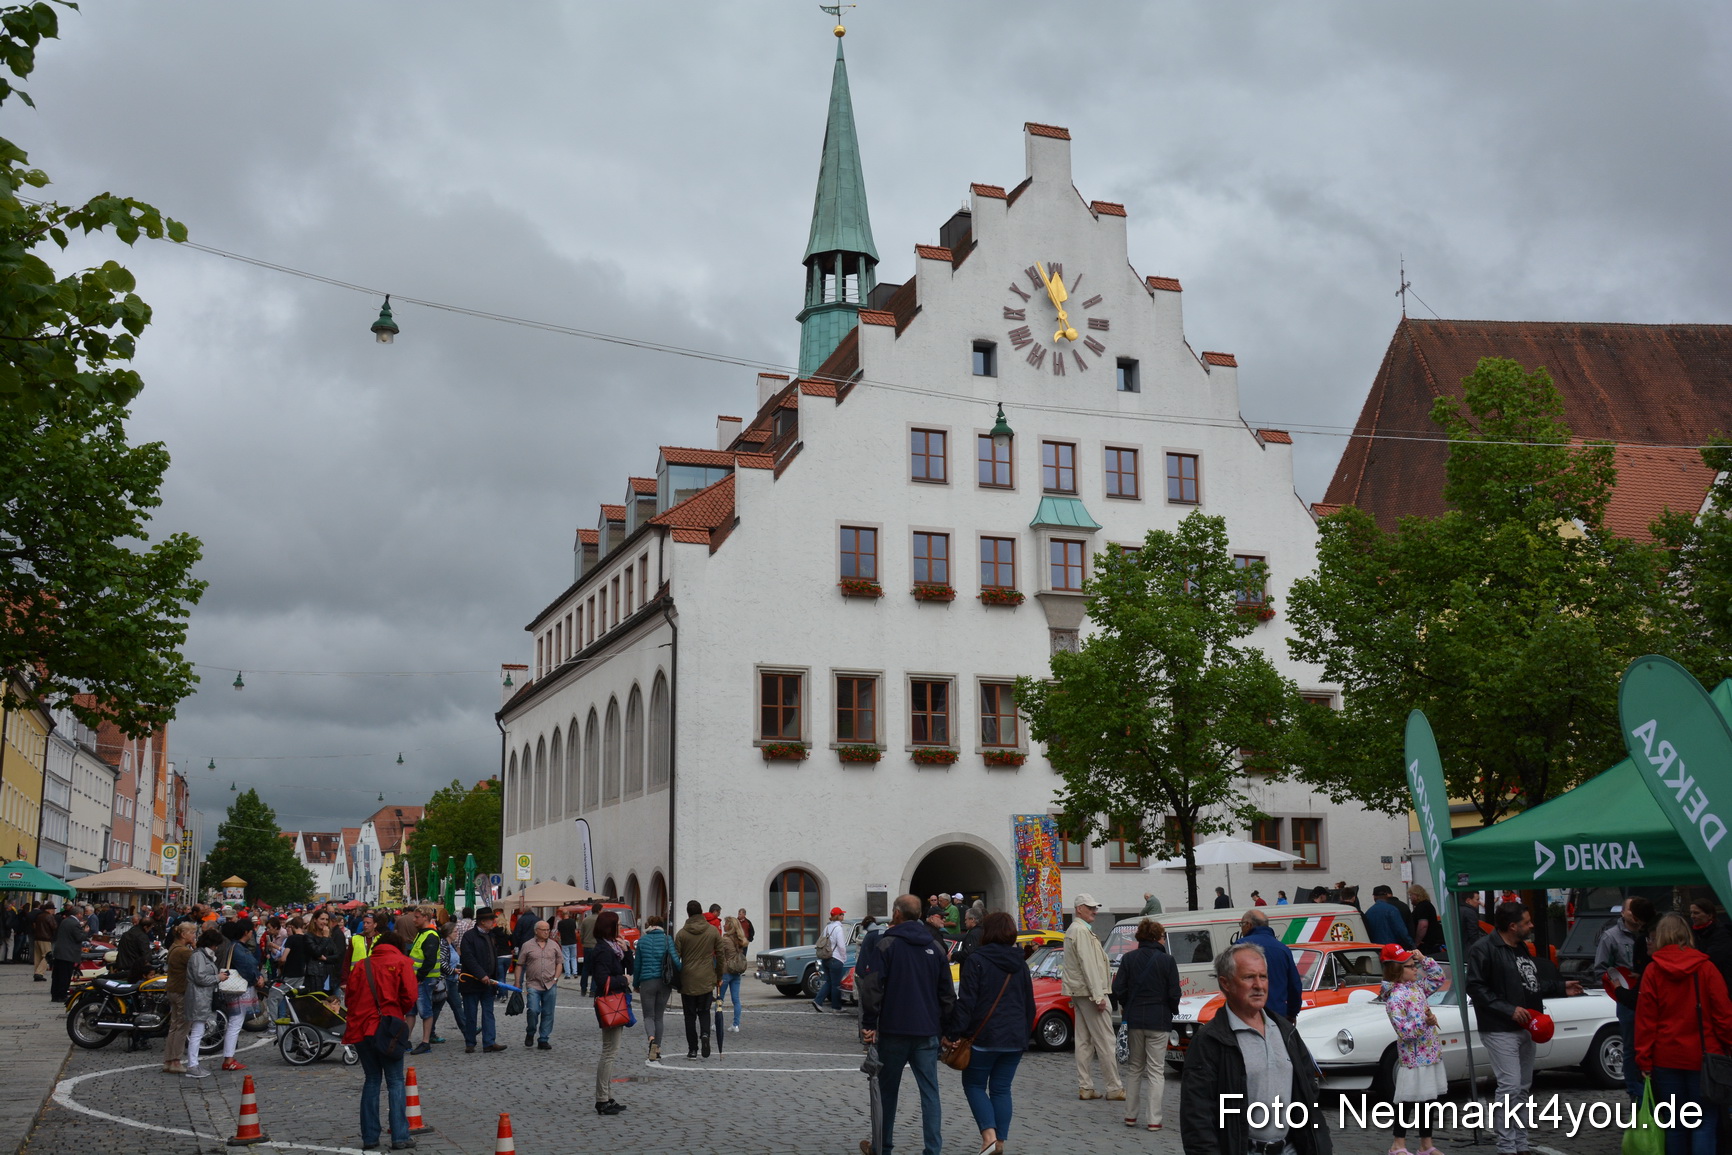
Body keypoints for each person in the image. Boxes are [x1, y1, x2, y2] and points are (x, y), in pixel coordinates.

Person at [1179, 942, 1334, 1155]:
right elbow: (1197, 1117)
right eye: (1249, 977)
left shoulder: (1285, 1031)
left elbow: (1308, 1094)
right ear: (1226, 983)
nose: (1259, 985)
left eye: (1263, 976)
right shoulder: (1211, 1040)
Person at [1465, 902, 1582, 1155]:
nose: (1531, 926)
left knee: (1522, 1086)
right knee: (1510, 1085)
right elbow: (1475, 986)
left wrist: (1562, 988)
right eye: (1527, 922)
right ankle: (1507, 1146)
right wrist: (1508, 1009)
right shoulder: (1484, 948)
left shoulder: (1520, 948)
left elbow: (1531, 983)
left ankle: (1519, 1143)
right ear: (1512, 926)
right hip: (1499, 1027)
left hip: (1526, 1024)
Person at [859, 893, 954, 1155]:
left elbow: (872, 987)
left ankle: (882, 1147)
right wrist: (947, 1030)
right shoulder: (935, 948)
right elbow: (947, 994)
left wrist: (869, 1023)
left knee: (887, 1092)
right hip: (927, 1031)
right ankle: (932, 1150)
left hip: (894, 1030)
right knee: (930, 1093)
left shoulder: (886, 944)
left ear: (898, 914)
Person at [1636, 912, 1732, 1155]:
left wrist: (1643, 1058)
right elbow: (1723, 1016)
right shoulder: (1706, 968)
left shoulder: (1653, 971)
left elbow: (1646, 1020)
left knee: (1676, 1124)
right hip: (1704, 1056)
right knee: (1704, 1123)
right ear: (1687, 934)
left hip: (1666, 1057)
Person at [948, 910, 1035, 1155]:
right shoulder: (1021, 964)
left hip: (983, 1036)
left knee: (974, 1085)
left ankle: (988, 1137)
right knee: (1001, 1089)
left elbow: (966, 1002)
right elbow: (1030, 1004)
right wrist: (1024, 1034)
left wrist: (955, 1033)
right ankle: (1000, 1143)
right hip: (1014, 1038)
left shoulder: (977, 960)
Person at [342, 928, 418, 1151]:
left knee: (372, 1080)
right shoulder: (402, 962)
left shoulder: (361, 965)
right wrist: (395, 1012)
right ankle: (400, 1136)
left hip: (361, 1028)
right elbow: (410, 996)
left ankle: (370, 1137)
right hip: (387, 1028)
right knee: (395, 1081)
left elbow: (349, 997)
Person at [1112, 918, 1181, 1133]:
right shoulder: (1167, 960)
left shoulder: (1129, 959)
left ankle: (1130, 1116)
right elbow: (1174, 992)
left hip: (1135, 1020)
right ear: (1157, 937)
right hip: (1159, 1020)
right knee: (1156, 1071)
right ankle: (1154, 1119)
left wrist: (1127, 1005)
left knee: (1135, 1069)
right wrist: (1172, 1009)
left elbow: (1118, 988)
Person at [1381, 944, 1446, 1155]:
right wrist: (1425, 1021)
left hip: (1428, 1052)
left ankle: (1426, 1144)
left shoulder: (1416, 987)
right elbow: (1404, 1031)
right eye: (1410, 966)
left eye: (1415, 965)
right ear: (1397, 970)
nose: (1416, 969)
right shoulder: (1395, 997)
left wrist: (1424, 958)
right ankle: (1398, 1144)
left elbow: (1438, 978)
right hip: (1413, 1056)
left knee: (1428, 1099)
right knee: (1407, 1100)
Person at [1062, 893, 1123, 1101]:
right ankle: (1114, 1087)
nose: (1095, 911)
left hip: (1082, 992)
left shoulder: (1078, 930)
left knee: (1084, 1041)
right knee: (1106, 1041)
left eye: (1095, 907)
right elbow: (1089, 966)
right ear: (1079, 909)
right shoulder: (1080, 931)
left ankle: (1086, 1086)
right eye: (1090, 908)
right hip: (1090, 993)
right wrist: (1098, 996)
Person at [1594, 895, 1655, 1100]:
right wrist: (1618, 981)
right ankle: (1635, 1092)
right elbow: (1600, 969)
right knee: (1630, 1046)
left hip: (1650, 997)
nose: (1634, 915)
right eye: (1630, 910)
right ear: (1623, 912)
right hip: (1628, 999)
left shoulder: (1652, 933)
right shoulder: (1610, 937)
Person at [590, 910, 632, 1116]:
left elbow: (630, 968)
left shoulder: (614, 948)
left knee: (611, 1051)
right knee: (609, 1052)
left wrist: (628, 950)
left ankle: (606, 1096)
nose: (620, 928)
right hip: (610, 1004)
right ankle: (601, 1099)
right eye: (617, 925)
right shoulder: (603, 951)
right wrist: (623, 981)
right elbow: (602, 980)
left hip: (617, 1001)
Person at [1237, 909, 1303, 1022]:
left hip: (1248, 1016)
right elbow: (1295, 985)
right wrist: (1292, 1012)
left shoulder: (1240, 947)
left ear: (1248, 925)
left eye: (1242, 924)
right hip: (1278, 1016)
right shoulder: (1283, 949)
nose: (1241, 928)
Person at [673, 899, 720, 1058]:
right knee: (705, 1011)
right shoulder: (712, 931)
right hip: (706, 977)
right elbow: (720, 955)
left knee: (690, 1016)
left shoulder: (682, 933)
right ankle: (705, 1035)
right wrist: (719, 975)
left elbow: (675, 957)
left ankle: (692, 1049)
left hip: (688, 979)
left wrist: (677, 975)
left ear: (688, 913)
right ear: (701, 912)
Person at [458, 908, 507, 1053]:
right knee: (471, 1013)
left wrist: (494, 977)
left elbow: (492, 956)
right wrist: (481, 975)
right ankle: (470, 1042)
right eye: (492, 919)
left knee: (488, 1013)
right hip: (472, 982)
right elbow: (468, 958)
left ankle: (489, 1042)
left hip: (489, 983)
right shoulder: (469, 936)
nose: (494, 922)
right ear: (483, 922)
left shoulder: (491, 935)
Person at [216, 919, 263, 1071]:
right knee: (235, 1023)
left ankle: (229, 1057)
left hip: (238, 988)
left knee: (235, 1023)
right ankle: (229, 1059)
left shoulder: (233, 946)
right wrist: (256, 978)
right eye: (251, 931)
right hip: (239, 990)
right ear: (246, 932)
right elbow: (248, 966)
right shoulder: (238, 948)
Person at [182, 927, 228, 1079]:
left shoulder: (202, 956)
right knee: (197, 1032)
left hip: (203, 997)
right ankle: (192, 1065)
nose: (216, 948)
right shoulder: (198, 957)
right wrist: (217, 978)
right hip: (199, 997)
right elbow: (200, 978)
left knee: (198, 1031)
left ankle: (193, 1064)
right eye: (215, 945)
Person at [632, 913, 677, 1061]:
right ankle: (657, 1048)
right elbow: (675, 961)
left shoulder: (642, 941)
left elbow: (637, 965)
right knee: (659, 1017)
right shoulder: (667, 939)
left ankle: (651, 1038)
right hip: (664, 982)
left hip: (647, 981)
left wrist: (636, 983)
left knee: (648, 1016)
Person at [406, 906, 447, 1056]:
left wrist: (419, 978)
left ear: (425, 917)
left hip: (424, 979)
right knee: (410, 1011)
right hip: (417, 979)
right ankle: (407, 1040)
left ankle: (425, 1042)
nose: (413, 919)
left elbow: (429, 961)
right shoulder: (422, 933)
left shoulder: (430, 935)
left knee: (425, 1010)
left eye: (417, 917)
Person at [517, 920, 561, 1050]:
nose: (546, 932)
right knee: (533, 1010)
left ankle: (543, 1039)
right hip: (533, 983)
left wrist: (556, 978)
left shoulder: (554, 945)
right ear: (536, 931)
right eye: (543, 930)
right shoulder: (527, 945)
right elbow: (519, 965)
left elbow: (559, 962)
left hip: (550, 984)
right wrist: (517, 982)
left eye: (548, 930)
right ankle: (530, 1032)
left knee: (548, 1013)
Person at [161, 919, 197, 1074]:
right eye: (192, 933)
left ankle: (169, 1060)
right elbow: (199, 963)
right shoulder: (184, 951)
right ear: (183, 934)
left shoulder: (173, 948)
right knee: (182, 1027)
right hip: (182, 990)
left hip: (172, 989)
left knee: (174, 1026)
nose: (194, 936)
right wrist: (195, 948)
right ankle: (175, 1060)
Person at [1688, 898, 1732, 994]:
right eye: (1691, 913)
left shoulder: (1722, 934)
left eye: (1696, 913)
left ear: (1709, 915)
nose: (1692, 916)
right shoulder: (1694, 934)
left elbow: (1711, 958)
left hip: (1723, 983)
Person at [50, 902, 90, 1003]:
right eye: (82, 915)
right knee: (65, 975)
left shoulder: (66, 920)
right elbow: (79, 937)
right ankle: (62, 995)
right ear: (79, 914)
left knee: (57, 975)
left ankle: (55, 994)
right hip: (68, 953)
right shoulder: (74, 923)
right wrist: (85, 932)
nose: (82, 917)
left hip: (60, 952)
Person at [813, 906, 848, 1013]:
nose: (843, 916)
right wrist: (844, 957)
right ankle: (836, 1007)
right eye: (842, 914)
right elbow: (841, 945)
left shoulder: (827, 927)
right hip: (836, 958)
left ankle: (818, 1001)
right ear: (838, 916)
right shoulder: (838, 929)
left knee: (829, 982)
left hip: (826, 958)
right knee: (836, 984)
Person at [717, 915, 747, 1033]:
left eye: (725, 923)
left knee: (720, 999)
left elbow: (720, 955)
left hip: (726, 971)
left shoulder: (725, 940)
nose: (723, 925)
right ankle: (736, 1024)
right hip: (736, 971)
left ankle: (717, 1023)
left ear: (729, 926)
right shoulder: (740, 939)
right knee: (736, 999)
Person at [114, 914, 155, 984]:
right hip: (134, 970)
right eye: (150, 928)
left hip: (122, 966)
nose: (149, 930)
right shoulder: (142, 936)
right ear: (145, 927)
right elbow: (146, 956)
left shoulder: (127, 933)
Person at [1408, 885, 1444, 956]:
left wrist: (1417, 941)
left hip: (1426, 944)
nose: (1410, 898)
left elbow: (1423, 925)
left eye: (1411, 895)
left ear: (1416, 895)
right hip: (1432, 942)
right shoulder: (1426, 905)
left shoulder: (1422, 907)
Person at [578, 901, 601, 997]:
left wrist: (583, 942)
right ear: (599, 910)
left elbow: (581, 934)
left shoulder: (585, 920)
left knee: (585, 968)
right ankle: (593, 990)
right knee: (595, 968)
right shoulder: (600, 920)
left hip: (587, 946)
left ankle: (583, 988)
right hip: (596, 946)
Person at [31, 900, 57, 980]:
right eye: (53, 909)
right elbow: (54, 926)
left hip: (37, 938)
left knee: (38, 957)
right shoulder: (49, 916)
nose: (54, 911)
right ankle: (39, 973)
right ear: (50, 909)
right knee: (48, 956)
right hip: (45, 938)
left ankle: (36, 972)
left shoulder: (39, 916)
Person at [556, 907, 580, 978]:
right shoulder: (573, 921)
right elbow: (575, 930)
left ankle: (567, 974)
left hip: (565, 942)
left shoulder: (560, 923)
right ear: (568, 914)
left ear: (562, 915)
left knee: (566, 958)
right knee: (573, 957)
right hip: (573, 941)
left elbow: (559, 932)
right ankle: (575, 972)